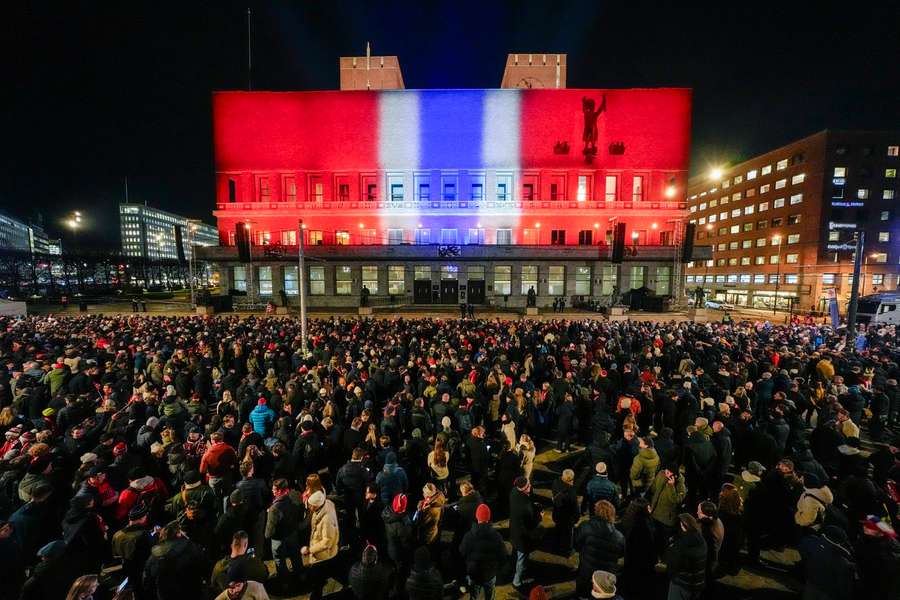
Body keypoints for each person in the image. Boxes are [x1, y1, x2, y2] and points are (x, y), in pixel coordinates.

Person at [574, 500, 625, 598]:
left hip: (586, 571)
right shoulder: (619, 537)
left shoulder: (585, 526)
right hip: (606, 576)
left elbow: (576, 544)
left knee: (583, 594)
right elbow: (621, 553)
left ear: (596, 511)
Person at [459, 503, 507, 600]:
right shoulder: (496, 536)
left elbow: (462, 552)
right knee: (490, 596)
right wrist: (496, 568)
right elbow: (503, 555)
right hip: (490, 574)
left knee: (474, 595)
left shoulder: (469, 536)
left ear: (477, 517)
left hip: (474, 573)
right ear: (489, 518)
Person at [301, 489, 340, 600]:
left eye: (311, 506)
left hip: (323, 554)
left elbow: (326, 542)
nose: (309, 507)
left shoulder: (326, 519)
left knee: (318, 577)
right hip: (323, 550)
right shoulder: (327, 504)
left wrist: (310, 550)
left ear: (317, 505)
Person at [509, 476, 541, 593]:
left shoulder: (513, 492)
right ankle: (517, 582)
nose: (530, 486)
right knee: (522, 559)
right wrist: (539, 516)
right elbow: (531, 524)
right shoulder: (525, 507)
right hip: (523, 537)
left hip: (514, 532)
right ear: (523, 489)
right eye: (528, 486)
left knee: (516, 553)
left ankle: (511, 569)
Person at [665, 514, 708, 600]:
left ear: (683, 526)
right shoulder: (701, 540)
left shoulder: (682, 544)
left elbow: (673, 563)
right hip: (698, 584)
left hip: (682, 584)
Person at [551, 469, 579, 554]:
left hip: (557, 514)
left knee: (558, 530)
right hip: (568, 519)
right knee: (568, 536)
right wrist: (576, 519)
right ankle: (568, 550)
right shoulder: (571, 493)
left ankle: (556, 547)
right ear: (570, 480)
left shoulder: (555, 482)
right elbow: (575, 509)